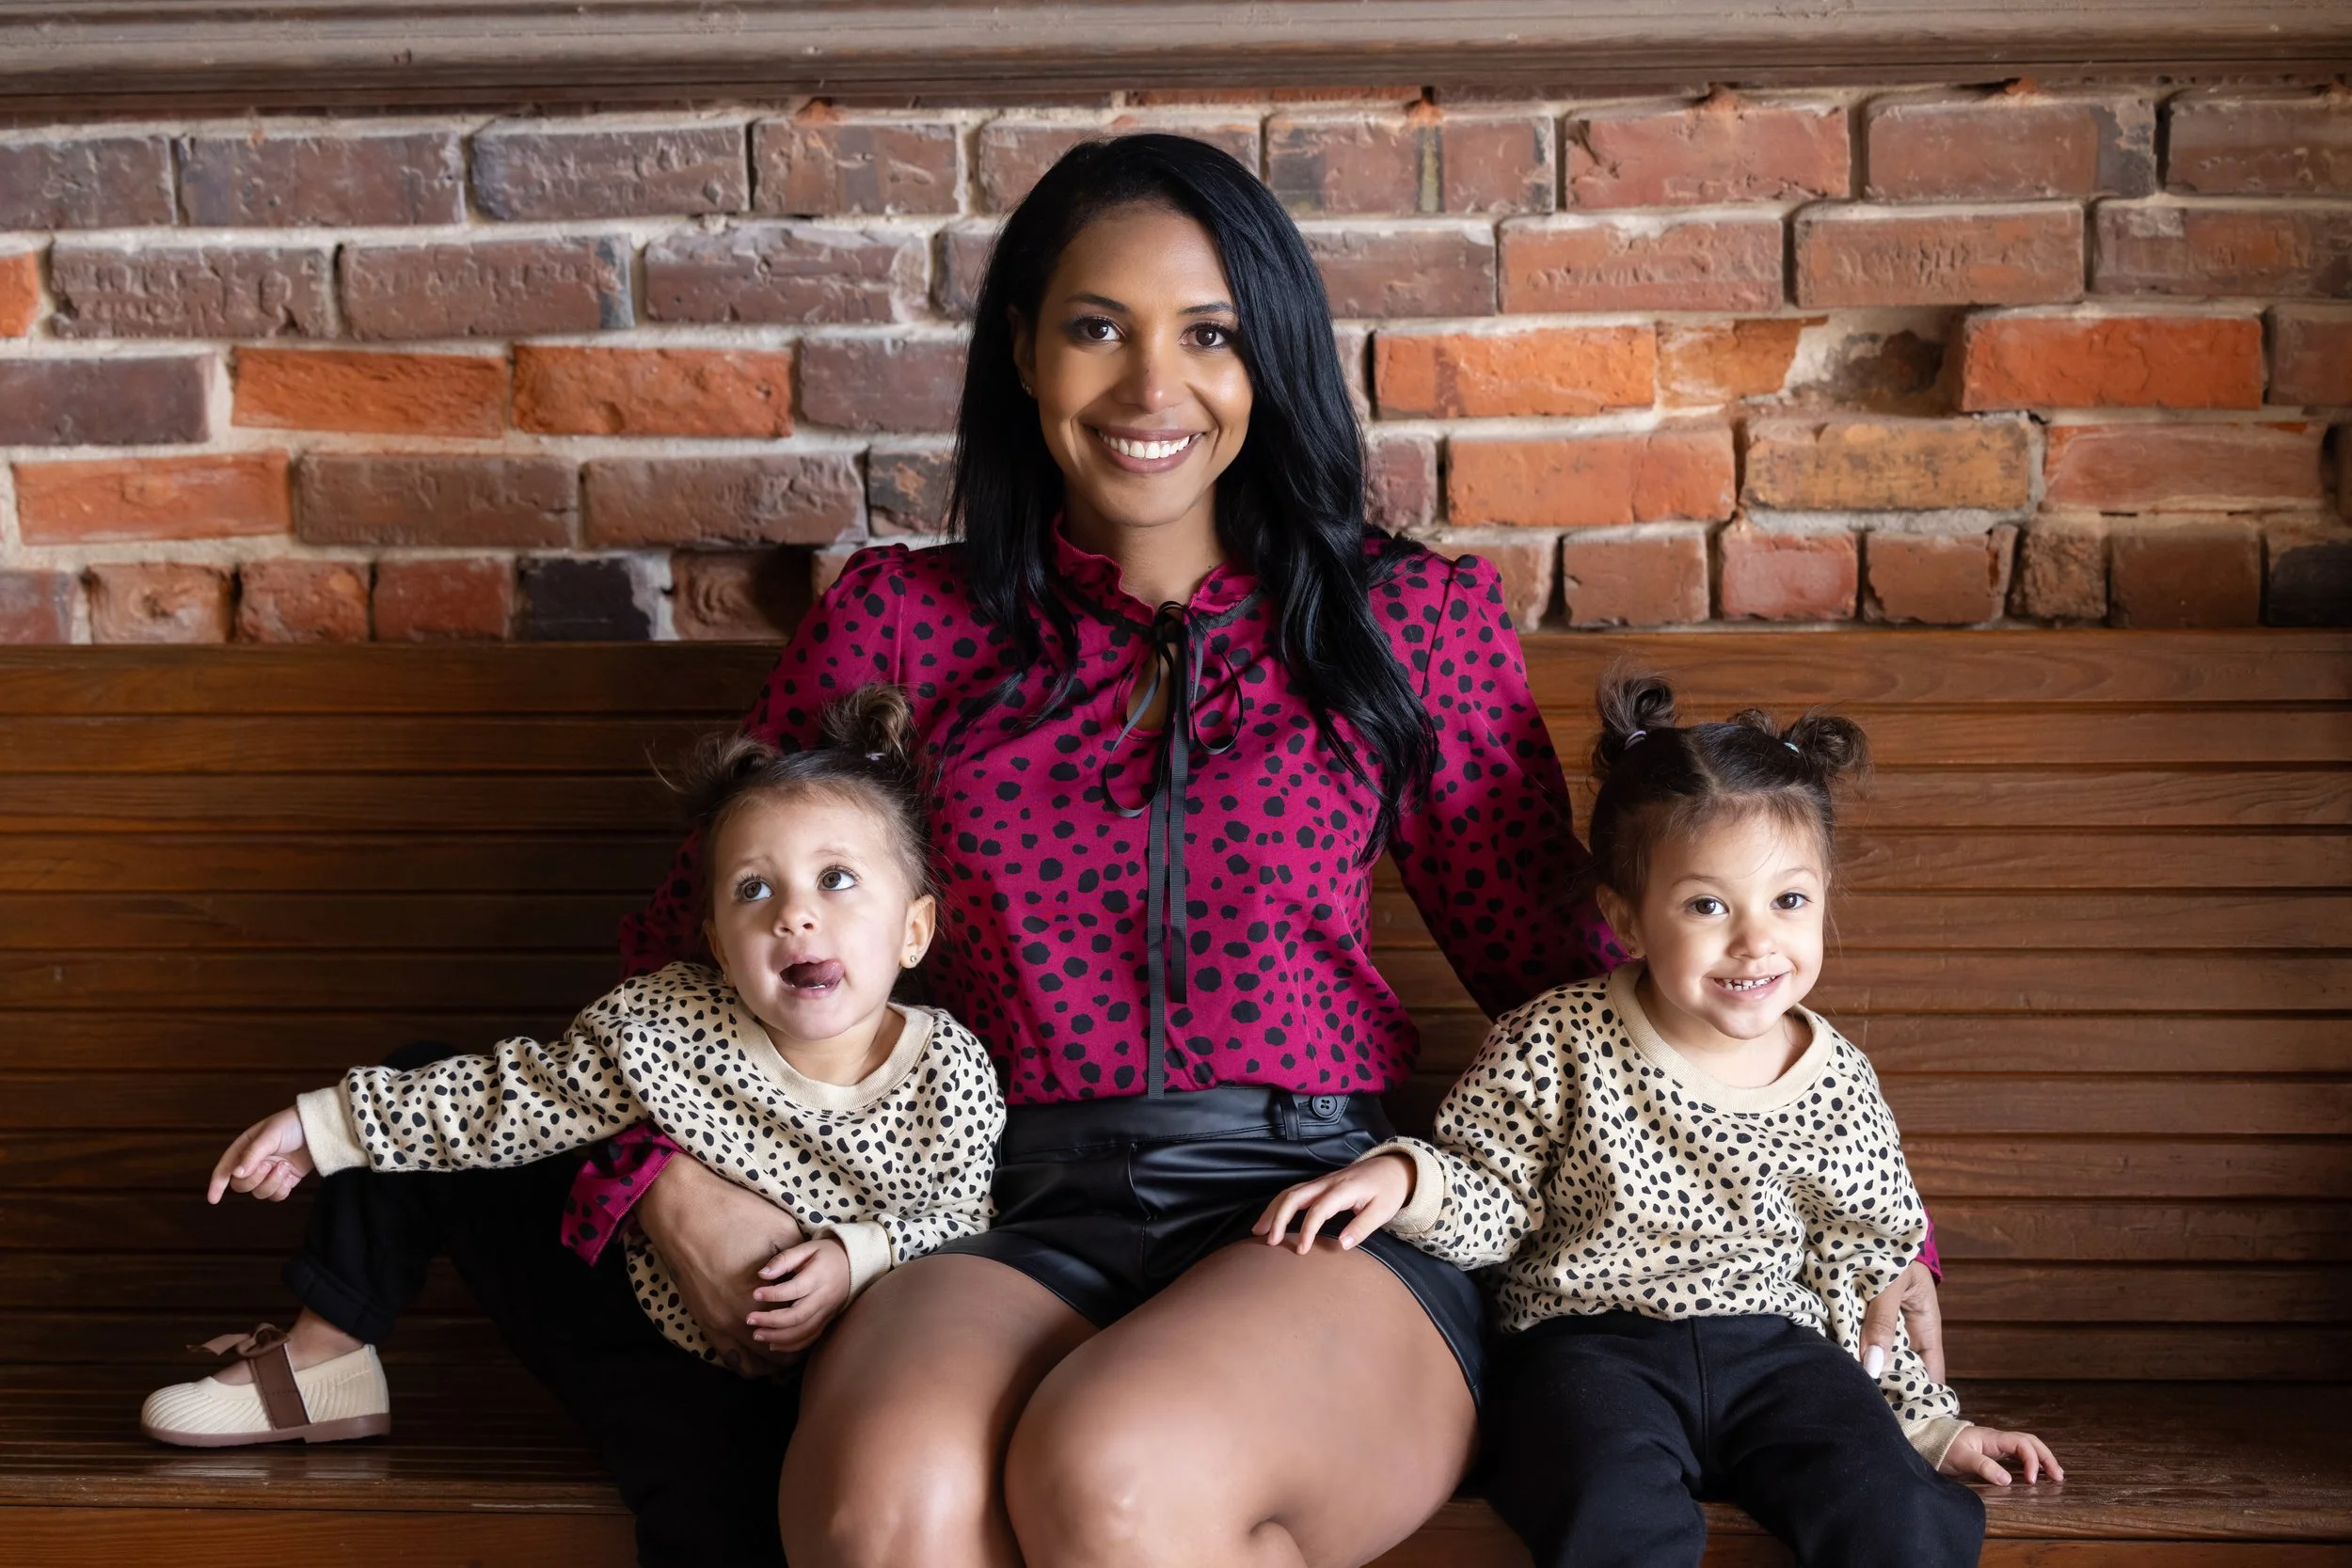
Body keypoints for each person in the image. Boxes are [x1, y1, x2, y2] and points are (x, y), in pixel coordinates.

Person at [578, 135, 1947, 1568]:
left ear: (1271, 356)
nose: (1151, 387)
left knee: (1118, 1469)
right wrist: (663, 1177)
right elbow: (680, 951)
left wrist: (1873, 1240)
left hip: (1324, 1215)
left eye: (1211, 334)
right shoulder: (900, 628)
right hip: (992, 1200)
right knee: (886, 1506)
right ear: (1024, 353)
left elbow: (1592, 978)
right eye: (1097, 327)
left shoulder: (1409, 622)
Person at [139, 687, 1000, 1567]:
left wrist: (858, 1255)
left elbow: (967, 1220)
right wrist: (312, 1128)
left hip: (827, 1383)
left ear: (914, 929)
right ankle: (326, 1356)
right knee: (423, 1080)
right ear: (715, 938)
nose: (795, 913)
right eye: (754, 889)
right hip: (648, 1328)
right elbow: (503, 1102)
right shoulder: (665, 1025)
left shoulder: (950, 1073)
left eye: (837, 878)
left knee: (726, 1509)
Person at [1256, 673, 2058, 1568]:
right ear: (1626, 915)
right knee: (1606, 1506)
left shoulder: (1837, 1080)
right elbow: (1492, 1189)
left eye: (1789, 901)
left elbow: (1865, 1266)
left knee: (1896, 1514)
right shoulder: (1557, 1037)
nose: (1756, 941)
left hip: (1777, 1356)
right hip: (1591, 1350)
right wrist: (1408, 1177)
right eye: (1707, 905)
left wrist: (1931, 1425)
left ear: (1827, 894)